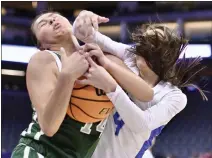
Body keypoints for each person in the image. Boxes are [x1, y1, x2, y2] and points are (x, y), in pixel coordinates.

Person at [11, 11, 153, 158]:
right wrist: (67, 77)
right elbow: (49, 127)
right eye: (43, 24)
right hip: (40, 151)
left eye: (54, 15)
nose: (52, 20)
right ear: (42, 44)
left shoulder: (103, 57)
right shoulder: (44, 59)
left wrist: (106, 66)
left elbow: (146, 94)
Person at [73, 10, 207, 158]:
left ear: (165, 57)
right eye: (145, 41)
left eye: (154, 45)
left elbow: (141, 124)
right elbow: (84, 34)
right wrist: (84, 18)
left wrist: (111, 87)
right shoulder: (130, 55)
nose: (143, 48)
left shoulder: (174, 96)